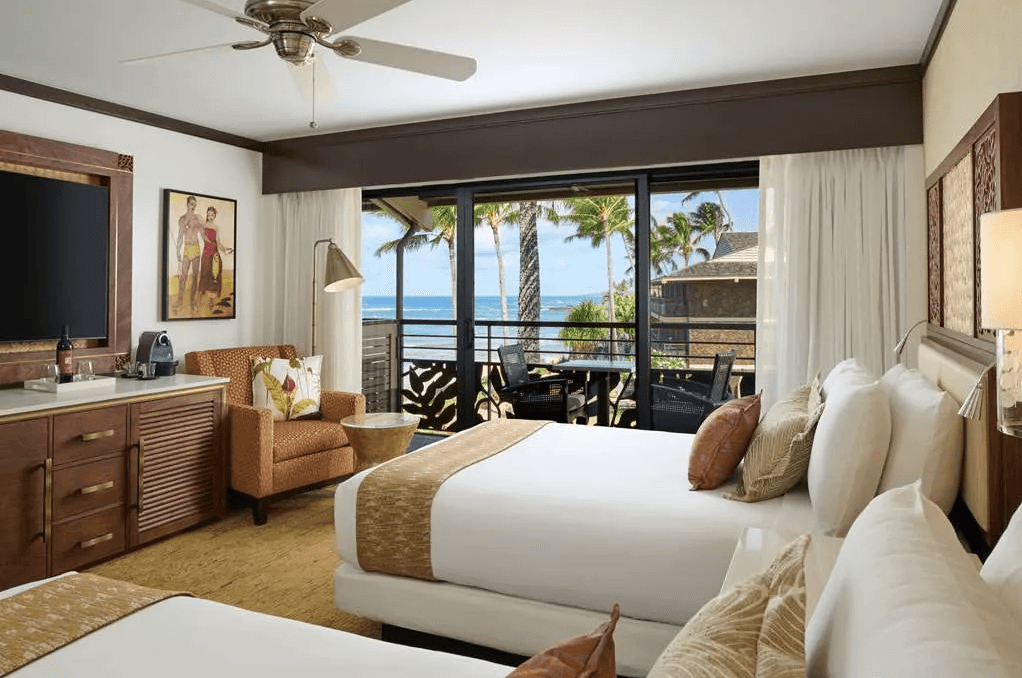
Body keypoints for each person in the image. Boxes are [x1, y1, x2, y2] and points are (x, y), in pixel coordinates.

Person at [197, 206, 234, 313]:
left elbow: (218, 242)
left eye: (212, 215)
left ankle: (211, 301)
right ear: (207, 215)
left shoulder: (217, 228)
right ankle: (199, 299)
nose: (210, 217)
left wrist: (225, 249)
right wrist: (211, 242)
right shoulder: (203, 225)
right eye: (209, 214)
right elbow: (205, 238)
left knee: (215, 277)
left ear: (215, 216)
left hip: (215, 254)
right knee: (205, 275)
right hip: (206, 254)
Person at [174, 195, 205, 311]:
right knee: (183, 277)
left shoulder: (198, 218)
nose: (193, 206)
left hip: (196, 249)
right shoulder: (182, 219)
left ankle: (193, 302)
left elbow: (203, 235)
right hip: (187, 249)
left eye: (195, 204)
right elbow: (180, 237)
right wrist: (177, 250)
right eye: (192, 204)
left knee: (195, 277)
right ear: (187, 204)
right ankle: (180, 300)